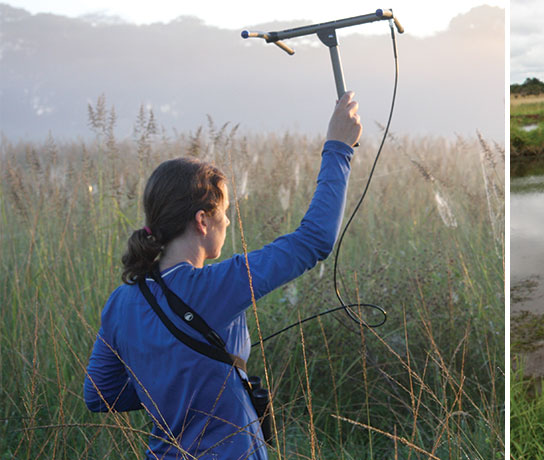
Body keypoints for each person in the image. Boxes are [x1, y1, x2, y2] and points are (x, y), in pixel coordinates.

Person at [83, 92, 362, 459]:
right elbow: (314, 241)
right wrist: (338, 147)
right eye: (224, 211)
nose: (228, 221)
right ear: (202, 220)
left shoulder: (120, 302)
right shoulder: (218, 286)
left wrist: (167, 379)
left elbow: (99, 395)